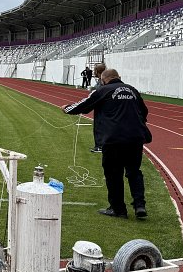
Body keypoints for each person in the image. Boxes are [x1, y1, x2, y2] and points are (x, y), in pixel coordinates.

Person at [61, 69, 151, 219]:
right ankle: (139, 205)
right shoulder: (133, 90)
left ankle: (118, 209)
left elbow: (84, 105)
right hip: (135, 138)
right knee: (134, 172)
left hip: (113, 139)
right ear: (119, 77)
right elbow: (144, 112)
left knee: (113, 174)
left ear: (103, 80)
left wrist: (67, 108)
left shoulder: (102, 90)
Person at [89, 63, 107, 153]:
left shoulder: (102, 82)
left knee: (99, 127)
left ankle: (100, 146)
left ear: (98, 71)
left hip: (102, 108)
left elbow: (98, 92)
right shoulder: (101, 80)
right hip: (101, 107)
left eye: (95, 70)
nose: (94, 72)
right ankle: (100, 145)